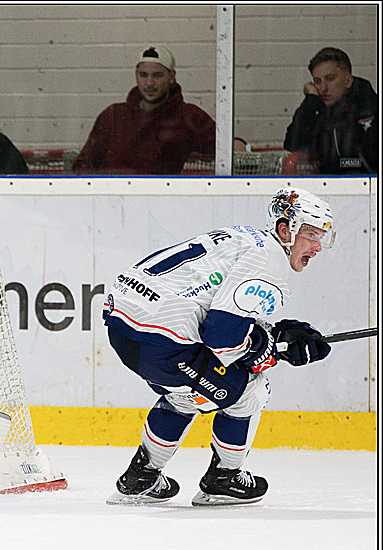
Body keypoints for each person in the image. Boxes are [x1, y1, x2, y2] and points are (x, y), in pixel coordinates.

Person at [102, 187, 335, 506]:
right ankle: (224, 479)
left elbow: (215, 311)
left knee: (188, 392)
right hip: (164, 343)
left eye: (322, 237)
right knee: (251, 389)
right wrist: (271, 350)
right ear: (285, 230)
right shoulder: (269, 260)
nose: (317, 246)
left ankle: (140, 478)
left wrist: (269, 335)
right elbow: (223, 339)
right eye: (310, 235)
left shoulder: (244, 237)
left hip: (124, 330)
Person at [72, 46, 216, 175]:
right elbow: (83, 166)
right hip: (113, 196)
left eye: (157, 76)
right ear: (136, 75)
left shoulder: (189, 117)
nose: (149, 83)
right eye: (143, 75)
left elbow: (226, 149)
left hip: (160, 196)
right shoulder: (113, 116)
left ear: (172, 77)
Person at [283, 47, 377, 175]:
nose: (323, 88)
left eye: (330, 78)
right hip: (328, 185)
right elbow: (293, 144)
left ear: (348, 81)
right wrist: (310, 101)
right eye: (317, 81)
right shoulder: (321, 114)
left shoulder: (370, 111)